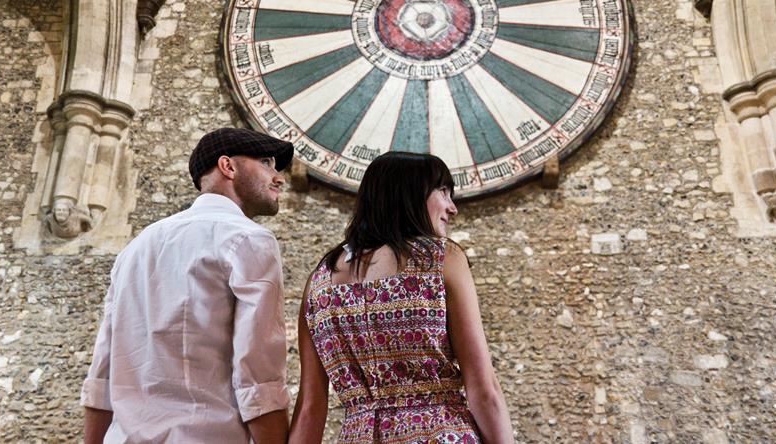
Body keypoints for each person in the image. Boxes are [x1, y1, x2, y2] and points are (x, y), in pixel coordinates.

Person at [80, 127, 294, 443]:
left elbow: (102, 374)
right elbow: (259, 375)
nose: (279, 178)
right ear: (228, 167)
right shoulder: (248, 240)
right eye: (266, 162)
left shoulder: (136, 248)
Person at [289, 152, 514, 443]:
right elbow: (484, 390)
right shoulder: (440, 259)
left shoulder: (319, 280)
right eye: (443, 191)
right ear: (408, 194)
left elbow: (310, 408)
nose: (452, 207)